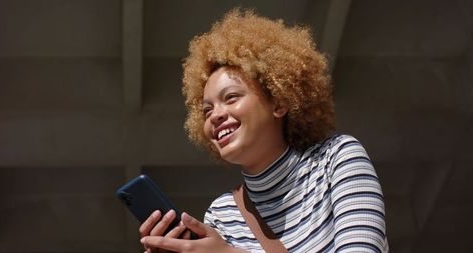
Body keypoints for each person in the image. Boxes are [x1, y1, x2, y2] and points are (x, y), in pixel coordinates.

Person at [139, 9, 389, 253]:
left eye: (231, 97)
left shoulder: (337, 159)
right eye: (206, 111)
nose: (215, 115)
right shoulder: (222, 215)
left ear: (279, 102)